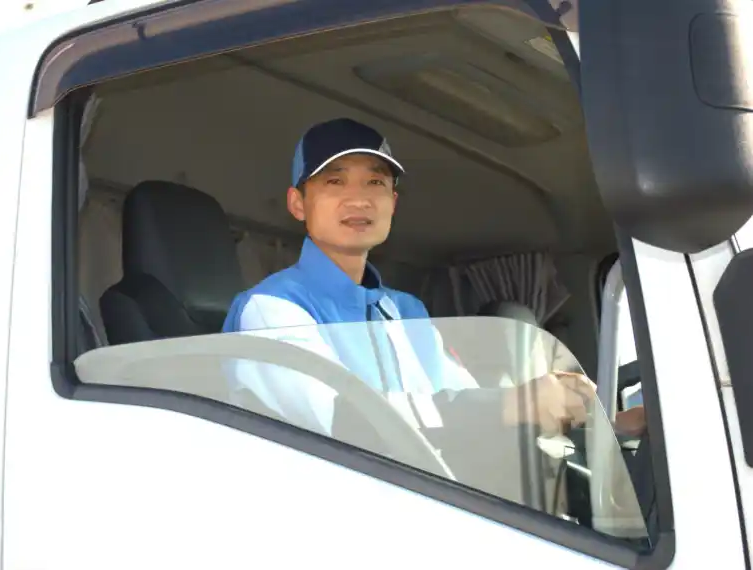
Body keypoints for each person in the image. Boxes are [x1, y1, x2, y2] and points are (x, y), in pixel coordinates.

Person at [222, 117, 646, 441]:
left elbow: (459, 404)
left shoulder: (406, 310)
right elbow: (339, 422)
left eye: (375, 182)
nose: (359, 198)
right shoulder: (272, 309)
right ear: (298, 203)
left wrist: (602, 425)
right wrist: (511, 404)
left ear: (392, 202)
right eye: (335, 181)